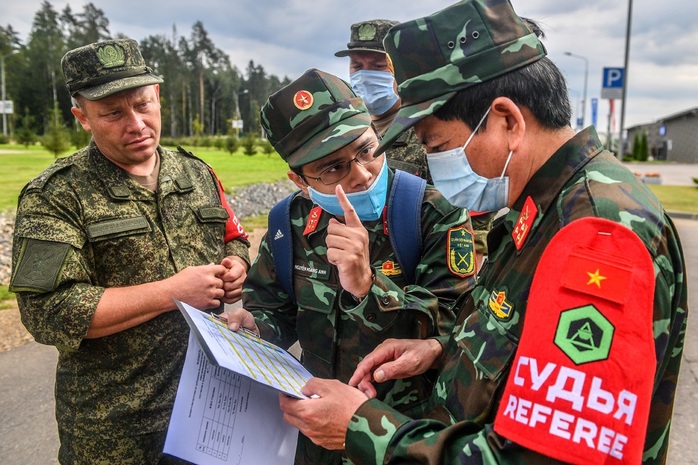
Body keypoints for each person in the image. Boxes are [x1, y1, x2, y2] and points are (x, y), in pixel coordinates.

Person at [276, 2, 689, 464]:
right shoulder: (537, 209)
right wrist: (440, 347)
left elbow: (544, 457)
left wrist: (364, 429)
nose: (434, 164)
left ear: (507, 121)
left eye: (438, 146)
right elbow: (516, 345)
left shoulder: (596, 233)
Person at [9, 38, 250, 464]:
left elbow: (232, 234)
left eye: (142, 104)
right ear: (82, 117)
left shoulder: (195, 172)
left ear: (157, 96)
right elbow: (48, 313)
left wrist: (237, 263)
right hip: (117, 430)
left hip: (210, 410)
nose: (136, 124)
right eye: (113, 113)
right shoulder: (57, 195)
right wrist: (172, 292)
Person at [221, 68, 477, 465]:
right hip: (314, 435)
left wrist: (367, 287)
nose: (360, 174)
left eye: (366, 150)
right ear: (301, 181)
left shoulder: (433, 213)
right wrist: (256, 326)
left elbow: (453, 330)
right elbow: (273, 308)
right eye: (334, 168)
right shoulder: (288, 223)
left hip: (398, 438)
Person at [336, 18, 494, 259]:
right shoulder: (344, 135)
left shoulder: (433, 132)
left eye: (378, 66)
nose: (365, 75)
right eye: (357, 66)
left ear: (403, 68)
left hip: (424, 275)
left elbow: (473, 215)